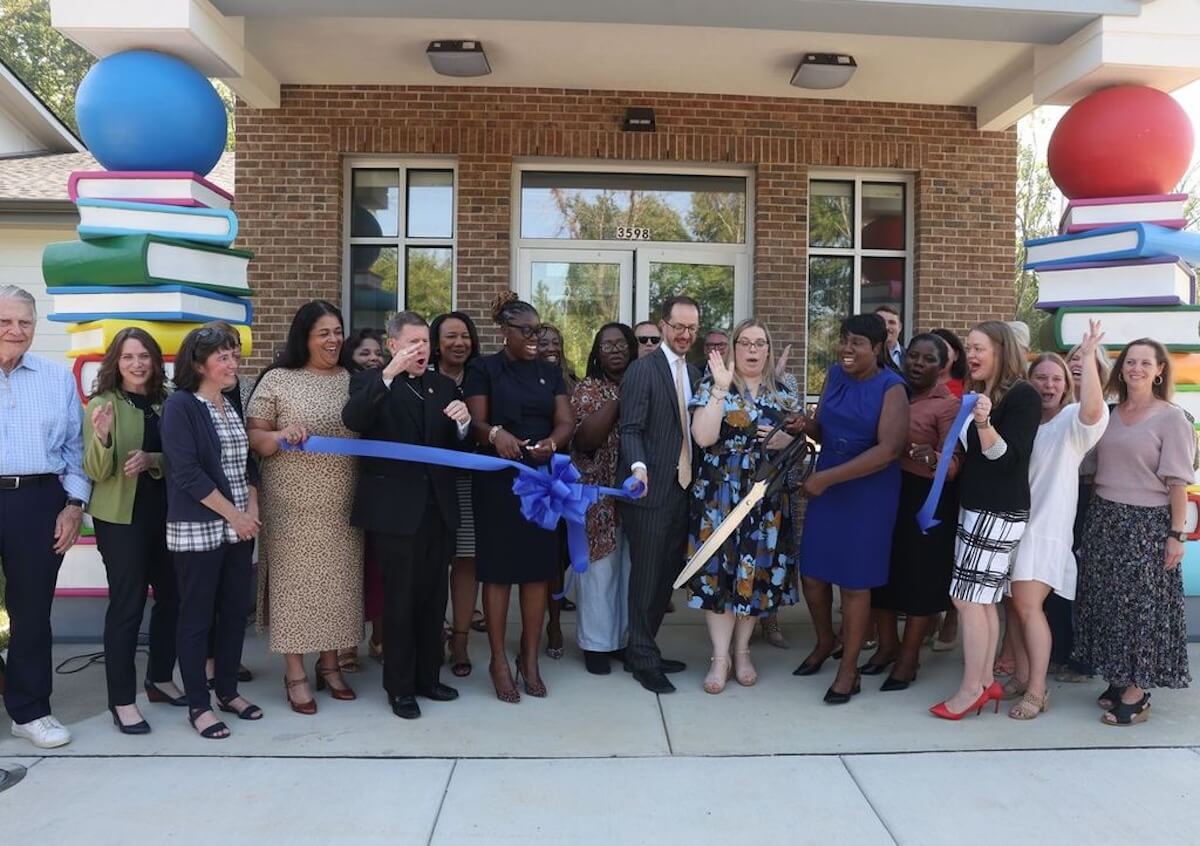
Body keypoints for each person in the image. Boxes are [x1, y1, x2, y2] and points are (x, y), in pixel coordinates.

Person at [343, 311, 470, 719]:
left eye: (425, 343)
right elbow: (354, 420)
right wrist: (387, 375)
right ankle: (399, 688)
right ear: (393, 345)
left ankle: (428, 678)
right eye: (412, 343)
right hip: (395, 513)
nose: (421, 350)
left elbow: (457, 453)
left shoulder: (443, 385)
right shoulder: (370, 382)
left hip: (438, 510)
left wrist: (464, 425)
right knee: (399, 602)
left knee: (434, 599)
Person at [247, 301, 362, 714]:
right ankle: (294, 672)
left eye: (337, 331)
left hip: (343, 500)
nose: (333, 340)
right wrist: (280, 435)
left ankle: (330, 666)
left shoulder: (353, 379)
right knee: (295, 588)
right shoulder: (279, 379)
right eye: (323, 333)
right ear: (305, 338)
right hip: (292, 502)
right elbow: (255, 438)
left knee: (337, 585)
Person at [1074, 338, 1195, 726]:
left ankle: (1139, 690)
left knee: (1143, 610)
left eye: (1146, 363)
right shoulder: (1109, 413)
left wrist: (1176, 534)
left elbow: (1178, 482)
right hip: (1105, 518)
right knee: (1109, 605)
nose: (1137, 368)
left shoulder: (1171, 418)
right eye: (1130, 361)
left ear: (1160, 370)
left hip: (1148, 524)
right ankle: (1119, 676)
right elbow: (1087, 463)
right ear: (1121, 368)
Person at [790, 314, 908, 704]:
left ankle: (849, 669)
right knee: (812, 574)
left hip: (867, 492)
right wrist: (803, 425)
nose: (846, 348)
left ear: (877, 348)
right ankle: (827, 640)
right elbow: (823, 429)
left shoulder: (892, 387)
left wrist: (826, 479)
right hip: (829, 484)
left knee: (855, 585)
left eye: (856, 342)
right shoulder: (835, 375)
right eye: (843, 339)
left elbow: (887, 450)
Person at [464, 293, 573, 703]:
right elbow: (475, 421)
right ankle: (497, 660)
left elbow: (566, 420)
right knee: (498, 573)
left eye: (538, 330)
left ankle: (530, 658)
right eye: (526, 331)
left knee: (535, 571)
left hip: (540, 482)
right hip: (498, 482)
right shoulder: (484, 368)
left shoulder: (549, 373)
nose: (534, 338)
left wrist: (552, 442)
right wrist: (495, 434)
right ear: (504, 331)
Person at [930, 321, 1040, 721]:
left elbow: (1008, 460)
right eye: (969, 348)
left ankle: (972, 688)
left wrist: (982, 422)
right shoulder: (984, 392)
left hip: (998, 511)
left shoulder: (1022, 395)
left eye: (979, 348)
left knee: (968, 599)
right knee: (982, 599)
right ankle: (984, 681)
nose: (971, 355)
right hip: (978, 508)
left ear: (1001, 350)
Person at [1001, 322, 1108, 720]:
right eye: (1040, 377)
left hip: (1044, 531)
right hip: (1010, 526)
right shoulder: (1022, 420)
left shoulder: (1070, 425)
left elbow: (1094, 411)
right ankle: (1021, 675)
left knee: (1029, 607)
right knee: (1011, 606)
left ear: (1066, 386)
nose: (1048, 385)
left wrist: (1090, 360)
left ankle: (1038, 690)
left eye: (1056, 379)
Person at [687, 319, 800, 694]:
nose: (753, 350)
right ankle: (720, 658)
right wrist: (720, 389)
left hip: (765, 496)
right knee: (720, 572)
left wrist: (787, 440)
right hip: (720, 493)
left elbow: (804, 447)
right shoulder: (711, 385)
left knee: (754, 574)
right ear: (733, 348)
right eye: (745, 342)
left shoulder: (784, 394)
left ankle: (743, 650)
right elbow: (703, 437)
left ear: (768, 350)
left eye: (760, 343)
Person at [162, 325, 263, 740]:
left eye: (234, 355)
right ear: (198, 363)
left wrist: (251, 510)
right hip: (199, 527)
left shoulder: (229, 402)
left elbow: (247, 465)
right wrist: (233, 516)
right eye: (223, 357)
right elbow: (187, 473)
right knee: (197, 617)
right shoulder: (181, 407)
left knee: (235, 611)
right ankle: (200, 706)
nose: (232, 363)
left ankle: (227, 692)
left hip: (239, 527)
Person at [0, 285, 88, 749]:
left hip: (37, 500)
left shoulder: (56, 380)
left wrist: (73, 506)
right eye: (5, 321)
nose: (16, 331)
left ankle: (30, 710)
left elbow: (76, 451)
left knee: (31, 612)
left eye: (25, 323)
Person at [83, 328, 182, 734]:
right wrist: (104, 438)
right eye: (128, 357)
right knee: (127, 605)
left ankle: (159, 679)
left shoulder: (170, 402)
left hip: (168, 516)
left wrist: (152, 459)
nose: (137, 364)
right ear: (116, 363)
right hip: (121, 520)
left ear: (156, 360)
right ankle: (121, 701)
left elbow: (185, 458)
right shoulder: (103, 404)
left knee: (173, 597)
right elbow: (95, 471)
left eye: (144, 356)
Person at [865, 333, 961, 692]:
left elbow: (954, 463)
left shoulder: (948, 404)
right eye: (913, 357)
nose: (918, 364)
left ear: (942, 367)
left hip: (926, 499)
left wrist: (933, 458)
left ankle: (908, 657)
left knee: (920, 580)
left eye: (927, 359)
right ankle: (887, 646)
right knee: (883, 573)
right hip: (886, 491)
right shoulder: (893, 392)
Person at [619, 295, 703, 694]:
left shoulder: (697, 372)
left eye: (692, 328)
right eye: (678, 327)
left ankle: (644, 645)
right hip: (650, 492)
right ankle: (642, 658)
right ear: (663, 326)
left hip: (683, 491)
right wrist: (638, 469)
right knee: (647, 576)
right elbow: (630, 429)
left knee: (666, 577)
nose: (685, 334)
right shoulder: (643, 369)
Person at [571, 322, 638, 674]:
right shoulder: (587, 389)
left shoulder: (646, 384)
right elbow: (585, 440)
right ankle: (596, 645)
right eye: (606, 345)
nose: (614, 350)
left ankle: (623, 641)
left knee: (630, 569)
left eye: (621, 343)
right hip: (597, 495)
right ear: (597, 353)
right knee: (600, 571)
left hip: (637, 494)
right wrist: (620, 398)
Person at [1049, 339, 1114, 682]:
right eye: (1072, 358)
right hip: (1056, 499)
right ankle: (1057, 650)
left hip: (1093, 499)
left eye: (1087, 360)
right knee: (1054, 575)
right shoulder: (1051, 407)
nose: (1078, 364)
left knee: (1086, 579)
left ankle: (1084, 657)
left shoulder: (1109, 410)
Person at [430, 311, 484, 678]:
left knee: (466, 562)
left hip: (471, 483)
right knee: (432, 563)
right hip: (431, 483)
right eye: (450, 336)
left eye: (465, 336)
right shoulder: (420, 377)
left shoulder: (482, 377)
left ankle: (460, 640)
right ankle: (433, 635)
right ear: (436, 343)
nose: (459, 343)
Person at [339, 327, 388, 673]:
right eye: (364, 354)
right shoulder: (343, 387)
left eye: (378, 354)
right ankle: (345, 647)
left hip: (377, 490)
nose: (373, 359)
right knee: (347, 574)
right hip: (340, 491)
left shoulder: (391, 386)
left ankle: (380, 639)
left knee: (379, 571)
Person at [537, 323, 577, 659]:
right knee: (546, 555)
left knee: (562, 552)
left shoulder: (572, 382)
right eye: (543, 341)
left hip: (571, 478)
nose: (550, 346)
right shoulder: (531, 380)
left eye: (555, 342)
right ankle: (552, 624)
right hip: (538, 478)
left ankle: (556, 606)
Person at [931, 328, 967, 401]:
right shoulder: (914, 388)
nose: (938, 355)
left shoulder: (967, 388)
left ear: (956, 355)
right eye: (932, 350)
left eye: (944, 350)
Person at [874, 305, 904, 370]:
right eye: (881, 322)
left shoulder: (909, 357)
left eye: (891, 322)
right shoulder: (863, 357)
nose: (886, 327)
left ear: (900, 327)